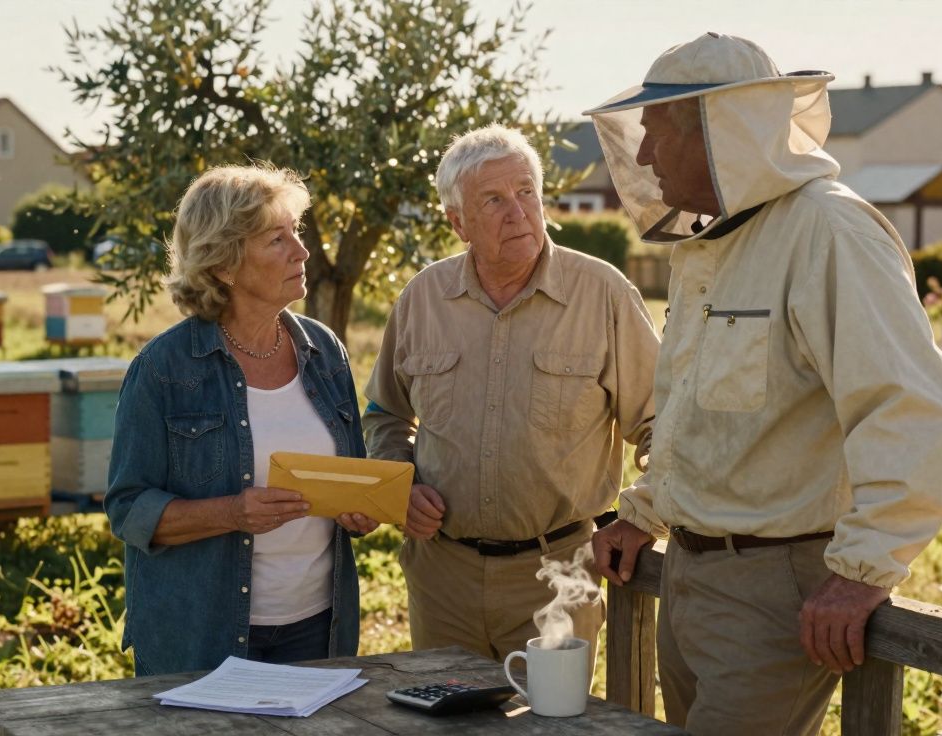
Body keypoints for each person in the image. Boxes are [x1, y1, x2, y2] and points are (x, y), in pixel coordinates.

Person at [586, 33, 942, 735]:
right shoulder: (712, 246)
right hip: (692, 578)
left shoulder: (830, 230)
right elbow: (694, 411)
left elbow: (909, 410)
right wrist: (645, 512)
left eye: (657, 134)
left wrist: (862, 570)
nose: (640, 157)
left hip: (775, 591)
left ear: (718, 133)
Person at [362, 125, 660, 662]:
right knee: (446, 722)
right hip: (441, 576)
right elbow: (384, 412)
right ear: (458, 223)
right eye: (493, 200)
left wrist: (645, 514)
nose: (517, 212)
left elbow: (666, 425)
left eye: (526, 192)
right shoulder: (422, 299)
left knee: (549, 722)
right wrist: (398, 482)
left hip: (558, 575)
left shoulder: (604, 293)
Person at [104, 164, 378, 676]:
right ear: (225, 263)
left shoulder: (326, 351)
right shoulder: (163, 370)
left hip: (319, 626)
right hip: (202, 634)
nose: (302, 250)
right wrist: (233, 512)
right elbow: (128, 510)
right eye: (278, 239)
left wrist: (357, 510)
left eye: (296, 232)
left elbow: (350, 477)